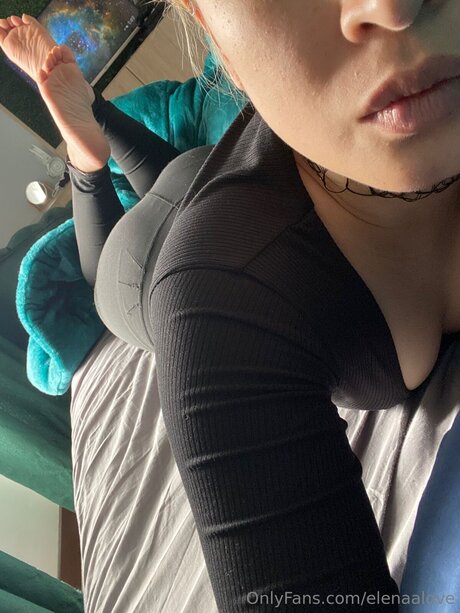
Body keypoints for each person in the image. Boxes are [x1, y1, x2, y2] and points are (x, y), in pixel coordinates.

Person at [1, 3, 459, 611]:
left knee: (183, 174)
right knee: (110, 264)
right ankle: (88, 160)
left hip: (200, 175)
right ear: (208, 28)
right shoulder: (213, 298)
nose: (392, 8)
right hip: (139, 268)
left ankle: (92, 118)